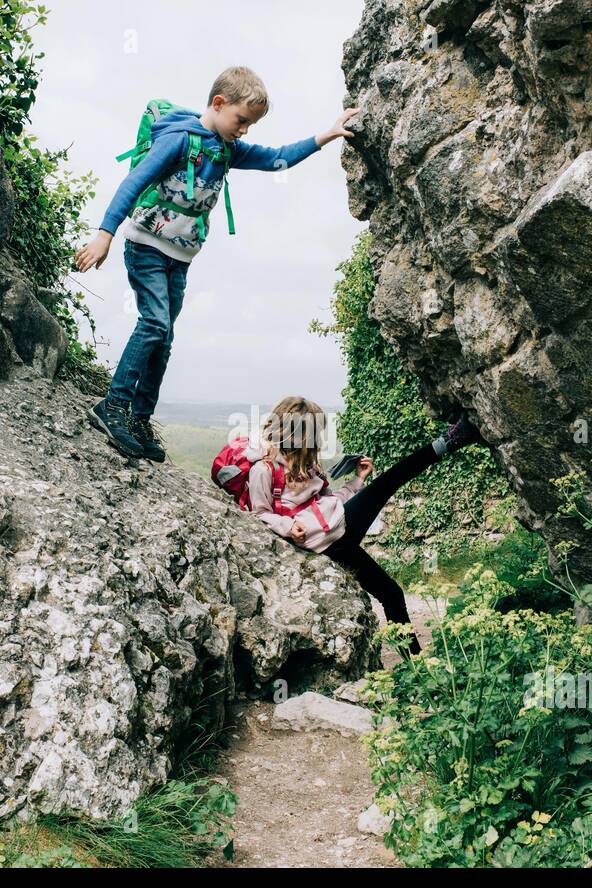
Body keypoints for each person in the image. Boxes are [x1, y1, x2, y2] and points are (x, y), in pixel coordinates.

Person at [74, 66, 360, 462]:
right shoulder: (178, 140)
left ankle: (140, 418)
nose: (244, 131)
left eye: (251, 124)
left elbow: (278, 159)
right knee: (154, 324)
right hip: (146, 246)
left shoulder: (226, 149)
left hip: (180, 256)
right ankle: (113, 405)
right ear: (219, 103)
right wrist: (104, 234)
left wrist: (326, 135)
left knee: (165, 339)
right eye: (241, 120)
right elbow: (134, 182)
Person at [247, 396, 483, 655]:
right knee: (391, 591)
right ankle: (417, 668)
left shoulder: (309, 466)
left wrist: (358, 481)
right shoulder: (264, 470)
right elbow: (259, 513)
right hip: (328, 547)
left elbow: (328, 503)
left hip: (341, 525)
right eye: (315, 433)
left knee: (386, 486)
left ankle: (448, 441)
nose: (319, 440)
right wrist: (288, 526)